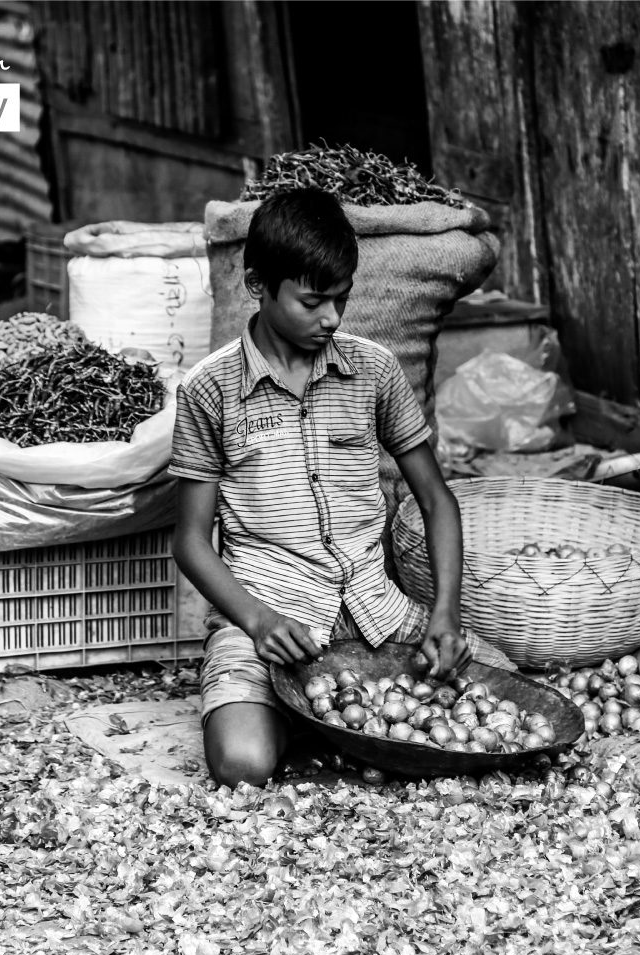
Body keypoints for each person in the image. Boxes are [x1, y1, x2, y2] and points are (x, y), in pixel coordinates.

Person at [169, 187, 515, 788]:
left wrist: (445, 615)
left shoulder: (373, 370)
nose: (330, 318)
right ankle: (331, 719)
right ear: (257, 284)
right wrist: (255, 621)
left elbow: (437, 499)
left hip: (376, 615)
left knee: (508, 699)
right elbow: (190, 542)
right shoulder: (210, 390)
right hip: (275, 623)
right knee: (241, 763)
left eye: (341, 299)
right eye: (311, 302)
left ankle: (338, 720)